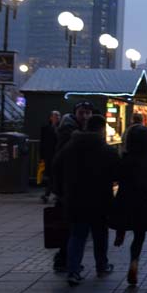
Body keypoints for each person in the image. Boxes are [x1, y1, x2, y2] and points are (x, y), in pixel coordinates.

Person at [53, 115, 120, 286]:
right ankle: (101, 265)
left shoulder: (70, 146)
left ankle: (73, 270)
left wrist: (61, 192)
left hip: (75, 198)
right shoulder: (106, 150)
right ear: (102, 129)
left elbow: (56, 167)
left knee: (77, 235)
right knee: (100, 234)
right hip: (100, 199)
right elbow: (117, 173)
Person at [113, 124, 147, 286]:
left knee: (138, 237)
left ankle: (134, 263)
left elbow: (121, 185)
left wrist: (120, 226)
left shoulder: (126, 158)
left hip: (133, 202)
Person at [50, 101, 94, 272]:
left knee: (72, 226)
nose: (85, 116)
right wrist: (59, 188)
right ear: (75, 113)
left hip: (73, 187)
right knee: (71, 227)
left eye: (88, 113)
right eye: (82, 112)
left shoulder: (77, 131)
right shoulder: (70, 133)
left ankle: (65, 259)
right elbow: (58, 162)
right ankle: (65, 260)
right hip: (69, 188)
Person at [39, 110, 60, 202]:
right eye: (55, 116)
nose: (57, 117)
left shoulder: (61, 128)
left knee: (53, 176)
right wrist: (42, 156)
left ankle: (48, 194)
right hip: (50, 155)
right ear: (51, 117)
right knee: (52, 176)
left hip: (57, 154)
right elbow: (43, 142)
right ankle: (53, 194)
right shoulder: (46, 128)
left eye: (58, 116)